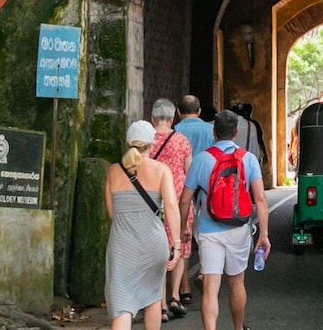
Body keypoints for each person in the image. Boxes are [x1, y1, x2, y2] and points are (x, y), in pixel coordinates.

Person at [179, 111, 271, 330]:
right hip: (239, 228)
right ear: (236, 133)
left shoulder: (201, 159)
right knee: (237, 282)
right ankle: (238, 328)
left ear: (214, 132)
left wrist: (184, 227)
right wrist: (264, 234)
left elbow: (185, 200)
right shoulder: (248, 158)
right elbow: (260, 198)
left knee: (211, 286)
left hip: (210, 231)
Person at [105, 121, 183, 330]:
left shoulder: (113, 171)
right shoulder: (161, 170)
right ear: (152, 143)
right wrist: (176, 244)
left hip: (122, 246)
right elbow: (172, 208)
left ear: (127, 142)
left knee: (122, 307)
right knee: (152, 298)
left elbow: (113, 213)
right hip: (153, 244)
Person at [148, 99, 196, 321]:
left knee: (157, 251)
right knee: (180, 247)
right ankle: (175, 296)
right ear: (172, 118)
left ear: (152, 119)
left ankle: (161, 306)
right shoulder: (181, 141)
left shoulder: (145, 141)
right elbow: (190, 175)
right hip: (177, 201)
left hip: (152, 201)